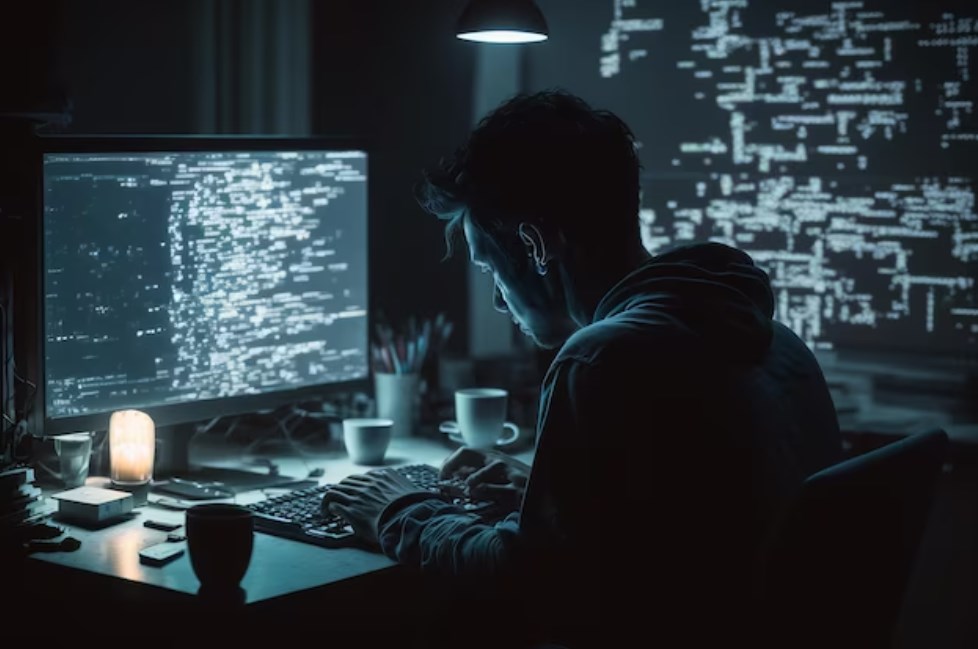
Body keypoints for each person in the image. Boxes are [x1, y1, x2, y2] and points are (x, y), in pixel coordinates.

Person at [322, 89, 842, 648]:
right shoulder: (776, 341)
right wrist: (542, 498)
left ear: (537, 242)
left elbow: (528, 580)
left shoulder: (602, 359)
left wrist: (399, 510)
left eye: (491, 269)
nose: (499, 301)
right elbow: (685, 528)